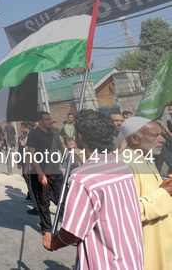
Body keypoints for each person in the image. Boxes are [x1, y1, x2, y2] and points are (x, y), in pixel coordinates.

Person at [42, 110, 144, 269]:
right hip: (132, 259)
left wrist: (54, 243)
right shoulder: (122, 167)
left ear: (80, 137)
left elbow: (73, 232)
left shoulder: (82, 178)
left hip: (105, 263)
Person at [121, 116, 172, 270]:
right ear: (135, 138)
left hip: (161, 239)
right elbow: (128, 211)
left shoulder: (144, 159)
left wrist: (165, 185)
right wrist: (165, 192)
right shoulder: (124, 165)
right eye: (155, 135)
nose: (162, 140)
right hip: (147, 245)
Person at [24, 111, 64, 235]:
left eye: (50, 119)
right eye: (47, 119)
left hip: (56, 172)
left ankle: (67, 229)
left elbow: (60, 147)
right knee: (43, 202)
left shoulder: (54, 133)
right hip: (41, 173)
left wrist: (67, 155)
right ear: (40, 122)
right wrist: (40, 173)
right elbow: (31, 154)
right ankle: (47, 229)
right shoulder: (34, 135)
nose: (50, 121)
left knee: (63, 200)